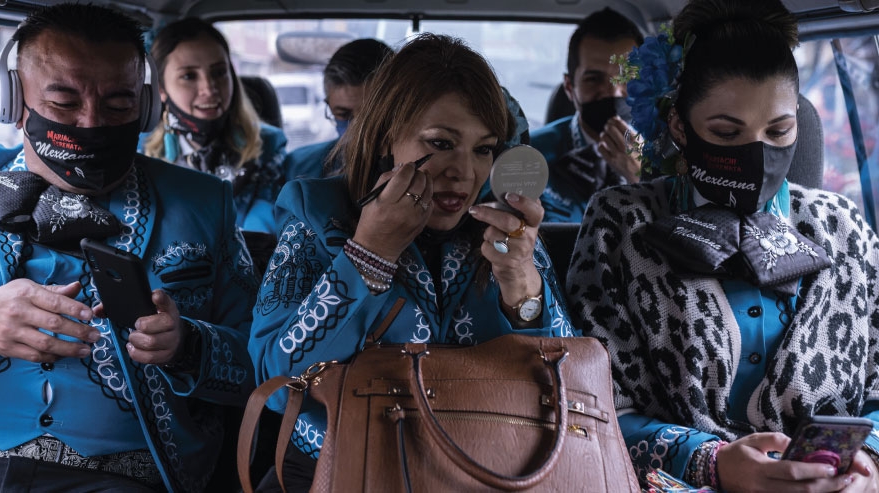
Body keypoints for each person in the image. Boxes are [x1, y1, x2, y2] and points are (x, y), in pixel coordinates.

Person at [565, 0, 879, 491]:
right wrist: (713, 462)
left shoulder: (840, 225)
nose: (756, 151)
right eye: (726, 133)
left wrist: (872, 467)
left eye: (778, 131)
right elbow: (596, 407)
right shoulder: (621, 225)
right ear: (678, 126)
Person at [0, 4, 257, 492]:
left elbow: (261, 359)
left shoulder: (203, 203)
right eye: (64, 103)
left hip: (120, 475)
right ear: (13, 101)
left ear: (149, 108)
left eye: (117, 106)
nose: (90, 122)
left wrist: (187, 346)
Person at [248, 33, 576, 492]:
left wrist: (522, 288)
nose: (464, 171)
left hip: (488, 469)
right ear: (387, 135)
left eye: (483, 149)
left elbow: (567, 386)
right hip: (338, 469)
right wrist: (368, 255)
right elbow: (279, 384)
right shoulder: (316, 216)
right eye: (441, 143)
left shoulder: (509, 232)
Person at [143, 17, 288, 235]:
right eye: (189, 76)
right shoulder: (139, 153)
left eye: (219, 72)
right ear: (161, 88)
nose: (209, 89)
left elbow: (265, 225)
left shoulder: (268, 143)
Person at [532, 7, 644, 223]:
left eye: (627, 78)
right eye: (594, 79)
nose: (614, 92)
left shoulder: (669, 156)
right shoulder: (532, 154)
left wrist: (641, 180)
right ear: (569, 87)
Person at [281, 38, 394, 183]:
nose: (356, 130)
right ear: (329, 106)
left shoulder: (419, 166)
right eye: (343, 114)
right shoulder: (300, 170)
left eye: (371, 115)